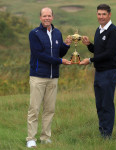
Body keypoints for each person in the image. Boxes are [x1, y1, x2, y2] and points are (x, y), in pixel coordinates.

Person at [26, 7, 72, 148]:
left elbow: (59, 53)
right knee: (34, 109)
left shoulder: (57, 33)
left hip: (53, 77)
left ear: (53, 17)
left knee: (50, 109)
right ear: (40, 18)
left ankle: (45, 137)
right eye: (44, 16)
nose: (47, 18)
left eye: (49, 16)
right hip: (38, 76)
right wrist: (59, 61)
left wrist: (66, 45)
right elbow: (39, 54)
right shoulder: (34, 33)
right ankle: (31, 139)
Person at [80, 4, 116, 139]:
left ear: (109, 15)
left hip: (109, 72)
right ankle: (102, 131)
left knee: (107, 104)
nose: (101, 17)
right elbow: (98, 51)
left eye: (104, 14)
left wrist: (90, 60)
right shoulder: (99, 30)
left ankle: (107, 135)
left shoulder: (113, 31)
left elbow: (109, 53)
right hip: (99, 72)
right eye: (99, 14)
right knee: (99, 104)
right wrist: (89, 45)